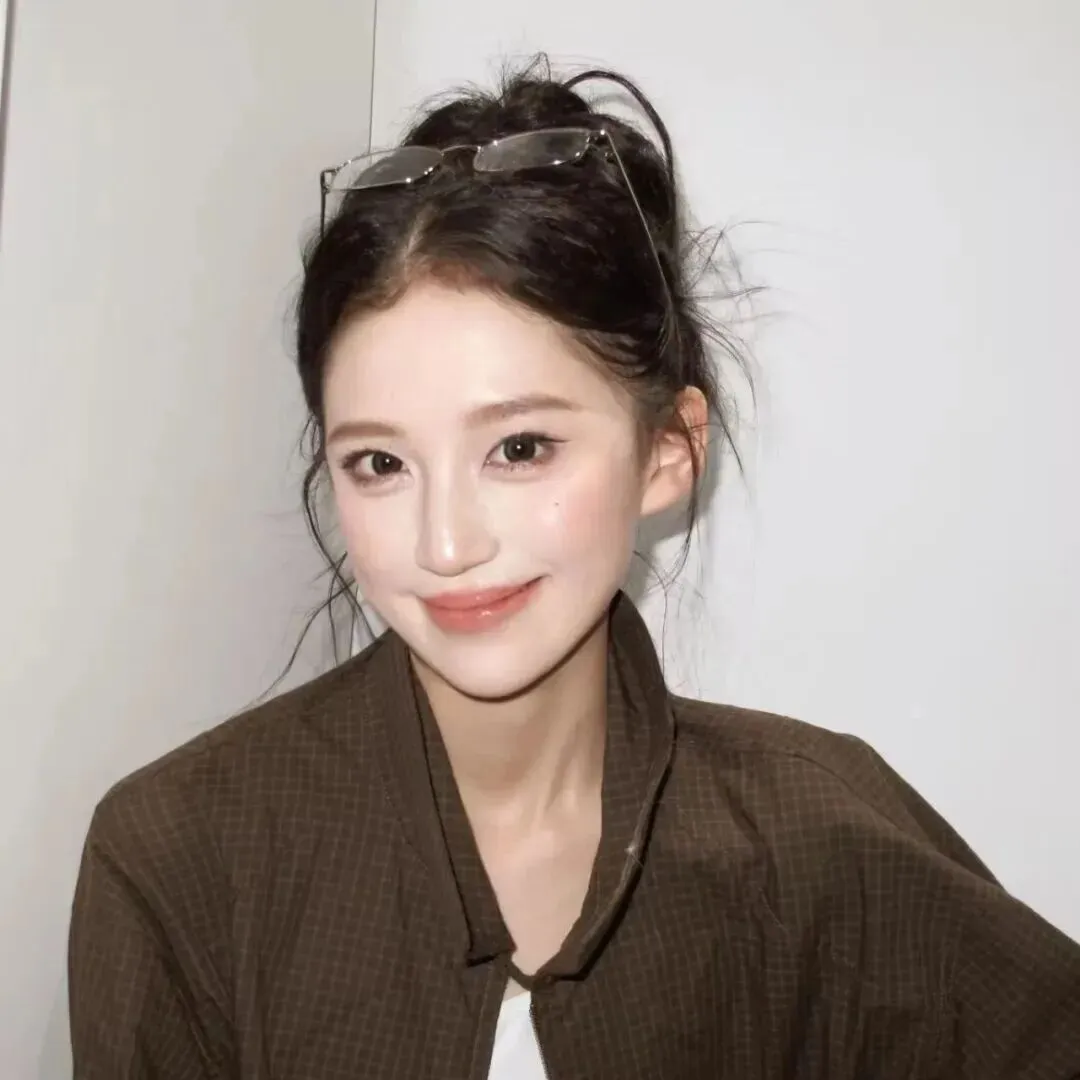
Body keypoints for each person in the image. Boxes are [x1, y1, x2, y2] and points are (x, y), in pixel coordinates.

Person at [68, 59, 1080, 1080]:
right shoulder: (180, 858)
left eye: (519, 449)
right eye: (379, 464)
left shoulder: (820, 838)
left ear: (668, 451)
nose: (446, 544)